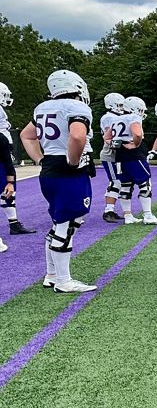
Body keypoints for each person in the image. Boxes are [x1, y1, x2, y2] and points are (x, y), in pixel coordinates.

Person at [18, 70, 97, 292]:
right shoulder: (76, 107)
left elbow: (26, 135)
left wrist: (39, 159)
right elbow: (78, 136)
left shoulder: (42, 108)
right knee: (68, 224)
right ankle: (63, 281)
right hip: (67, 170)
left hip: (50, 169)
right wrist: (73, 161)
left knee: (59, 222)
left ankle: (52, 275)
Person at [116, 96, 157, 224]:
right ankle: (148, 215)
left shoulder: (116, 119)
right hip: (134, 156)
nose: (142, 113)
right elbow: (137, 134)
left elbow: (107, 137)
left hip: (119, 155)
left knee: (125, 186)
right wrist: (135, 144)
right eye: (140, 110)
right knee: (145, 184)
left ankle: (128, 216)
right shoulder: (133, 117)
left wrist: (118, 144)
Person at [0, 81, 36, 237]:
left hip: (3, 150)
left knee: (7, 189)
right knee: (8, 186)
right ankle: (13, 224)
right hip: (1, 152)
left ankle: (13, 223)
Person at [99, 92, 128, 222]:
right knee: (115, 182)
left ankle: (111, 210)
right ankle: (108, 211)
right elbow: (110, 138)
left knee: (119, 182)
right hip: (110, 154)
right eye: (120, 105)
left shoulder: (118, 117)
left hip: (118, 154)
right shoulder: (108, 117)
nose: (122, 108)